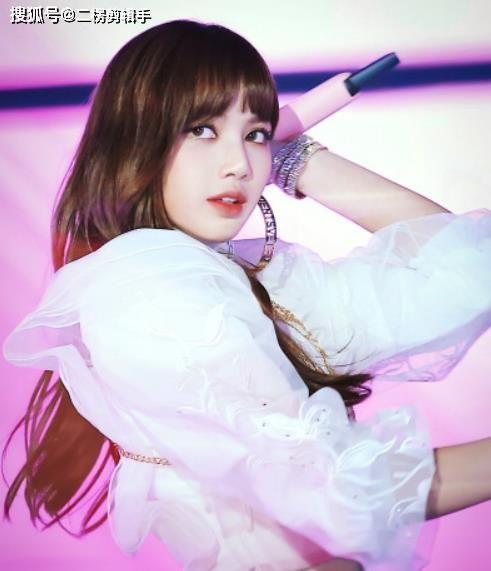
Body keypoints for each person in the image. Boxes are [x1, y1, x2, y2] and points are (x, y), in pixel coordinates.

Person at [2, 18, 491, 571]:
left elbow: (461, 269)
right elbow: (338, 488)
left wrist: (296, 159)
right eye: (202, 129)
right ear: (137, 137)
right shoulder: (148, 286)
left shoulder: (234, 274)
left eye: (256, 133)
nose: (239, 165)